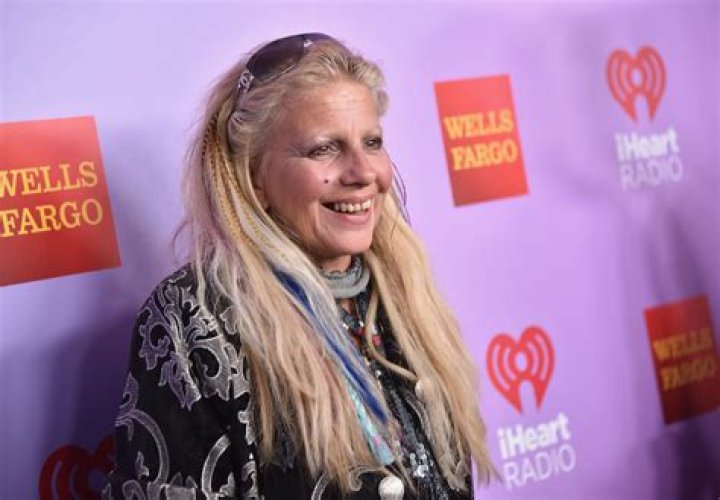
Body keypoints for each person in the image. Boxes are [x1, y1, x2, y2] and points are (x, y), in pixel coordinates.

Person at [104, 33, 493, 499]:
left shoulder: (403, 295)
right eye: (323, 149)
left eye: (372, 142)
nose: (363, 172)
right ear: (254, 177)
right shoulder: (198, 318)